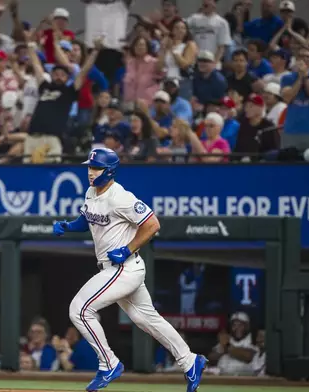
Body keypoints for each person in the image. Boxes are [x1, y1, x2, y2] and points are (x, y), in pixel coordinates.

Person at [52, 147, 207, 392]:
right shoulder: (92, 192)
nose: (91, 173)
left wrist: (127, 248)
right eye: (90, 168)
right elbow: (87, 219)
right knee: (146, 319)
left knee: (79, 310)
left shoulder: (120, 197)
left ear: (110, 171)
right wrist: (68, 226)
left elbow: (152, 224)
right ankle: (190, 361)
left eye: (96, 168)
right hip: (117, 268)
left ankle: (109, 363)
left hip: (123, 267)